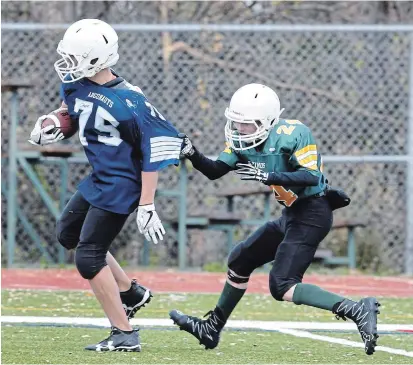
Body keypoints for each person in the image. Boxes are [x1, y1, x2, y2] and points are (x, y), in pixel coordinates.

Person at [170, 83, 380, 356]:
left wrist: (270, 177)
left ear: (267, 121)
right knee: (240, 259)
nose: (239, 130)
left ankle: (356, 309)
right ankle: (212, 328)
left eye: (246, 124)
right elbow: (215, 170)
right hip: (292, 214)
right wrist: (192, 154)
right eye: (236, 123)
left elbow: (311, 176)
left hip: (313, 213)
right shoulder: (242, 142)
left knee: (282, 284)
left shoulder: (292, 133)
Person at [29, 19, 182, 352]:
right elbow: (75, 111)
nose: (67, 65)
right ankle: (130, 292)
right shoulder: (74, 86)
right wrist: (55, 123)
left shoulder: (131, 101)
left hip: (123, 183)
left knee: (88, 257)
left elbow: (153, 151)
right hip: (99, 177)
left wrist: (147, 203)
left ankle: (124, 334)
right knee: (68, 234)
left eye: (74, 58)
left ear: (96, 59)